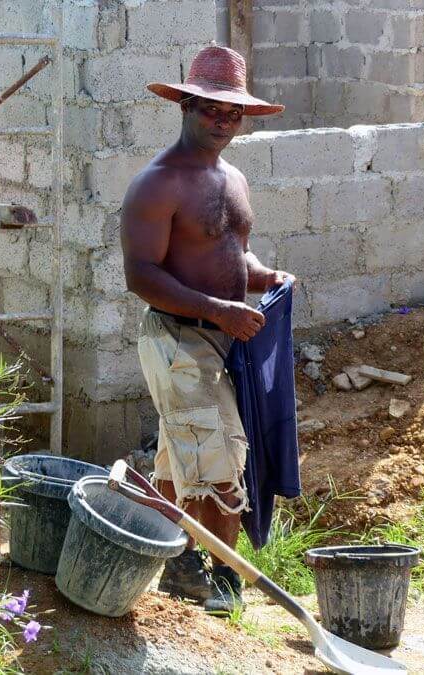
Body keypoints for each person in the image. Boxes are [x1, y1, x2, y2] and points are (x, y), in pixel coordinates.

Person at [120, 45, 295, 613]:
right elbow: (140, 275)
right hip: (177, 339)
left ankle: (162, 560)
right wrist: (219, 310)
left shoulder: (232, 178)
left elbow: (231, 254)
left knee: (181, 460)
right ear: (186, 107)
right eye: (210, 109)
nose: (223, 121)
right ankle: (212, 580)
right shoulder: (158, 183)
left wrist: (263, 275)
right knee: (219, 463)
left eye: (232, 112)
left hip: (221, 342)